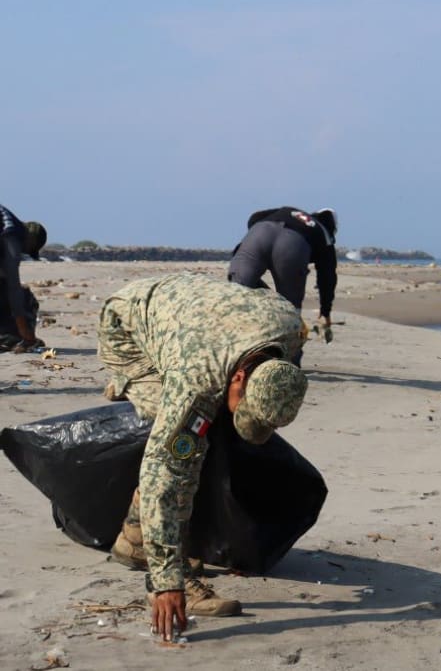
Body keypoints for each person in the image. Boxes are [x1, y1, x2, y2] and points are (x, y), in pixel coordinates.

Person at [98, 273, 308, 641]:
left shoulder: (291, 329)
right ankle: (153, 554)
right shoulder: (197, 376)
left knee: (209, 426)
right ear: (238, 377)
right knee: (187, 447)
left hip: (189, 311)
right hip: (127, 327)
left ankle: (133, 540)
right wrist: (166, 582)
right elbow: (164, 473)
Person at [228, 206, 339, 346]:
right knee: (290, 314)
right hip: (292, 245)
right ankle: (287, 353)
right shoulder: (324, 233)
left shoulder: (289, 212)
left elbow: (254, 218)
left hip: (259, 233)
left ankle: (231, 345)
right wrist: (325, 312)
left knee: (237, 296)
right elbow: (327, 278)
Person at [0, 203, 47, 352]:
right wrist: (25, 332)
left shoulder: (6, 218)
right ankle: (11, 337)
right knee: (24, 297)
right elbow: (14, 288)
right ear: (29, 241)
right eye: (26, 251)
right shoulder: (11, 236)